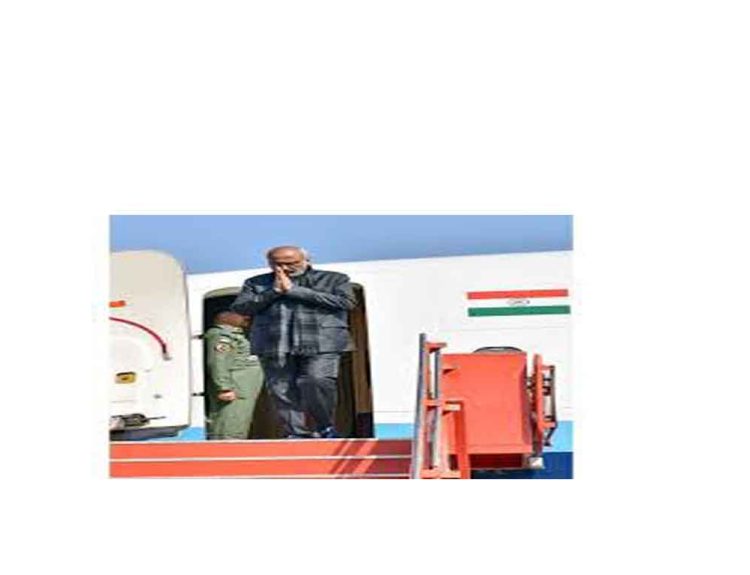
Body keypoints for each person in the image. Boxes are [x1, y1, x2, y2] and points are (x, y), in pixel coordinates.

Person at [230, 245, 356, 439]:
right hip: (273, 342)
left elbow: (346, 302)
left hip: (322, 341)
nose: (284, 268)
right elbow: (241, 308)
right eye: (277, 264)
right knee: (281, 388)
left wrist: (294, 291)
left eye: (291, 263)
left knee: (316, 380)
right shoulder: (255, 283)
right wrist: (273, 291)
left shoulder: (334, 279)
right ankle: (296, 432)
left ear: (306, 260)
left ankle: (325, 426)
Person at [204, 311, 264, 440]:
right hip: (234, 389)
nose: (246, 317)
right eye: (241, 314)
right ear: (225, 317)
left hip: (243, 389)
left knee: (239, 422)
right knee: (229, 423)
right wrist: (224, 387)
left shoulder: (237, 335)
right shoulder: (222, 336)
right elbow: (218, 362)